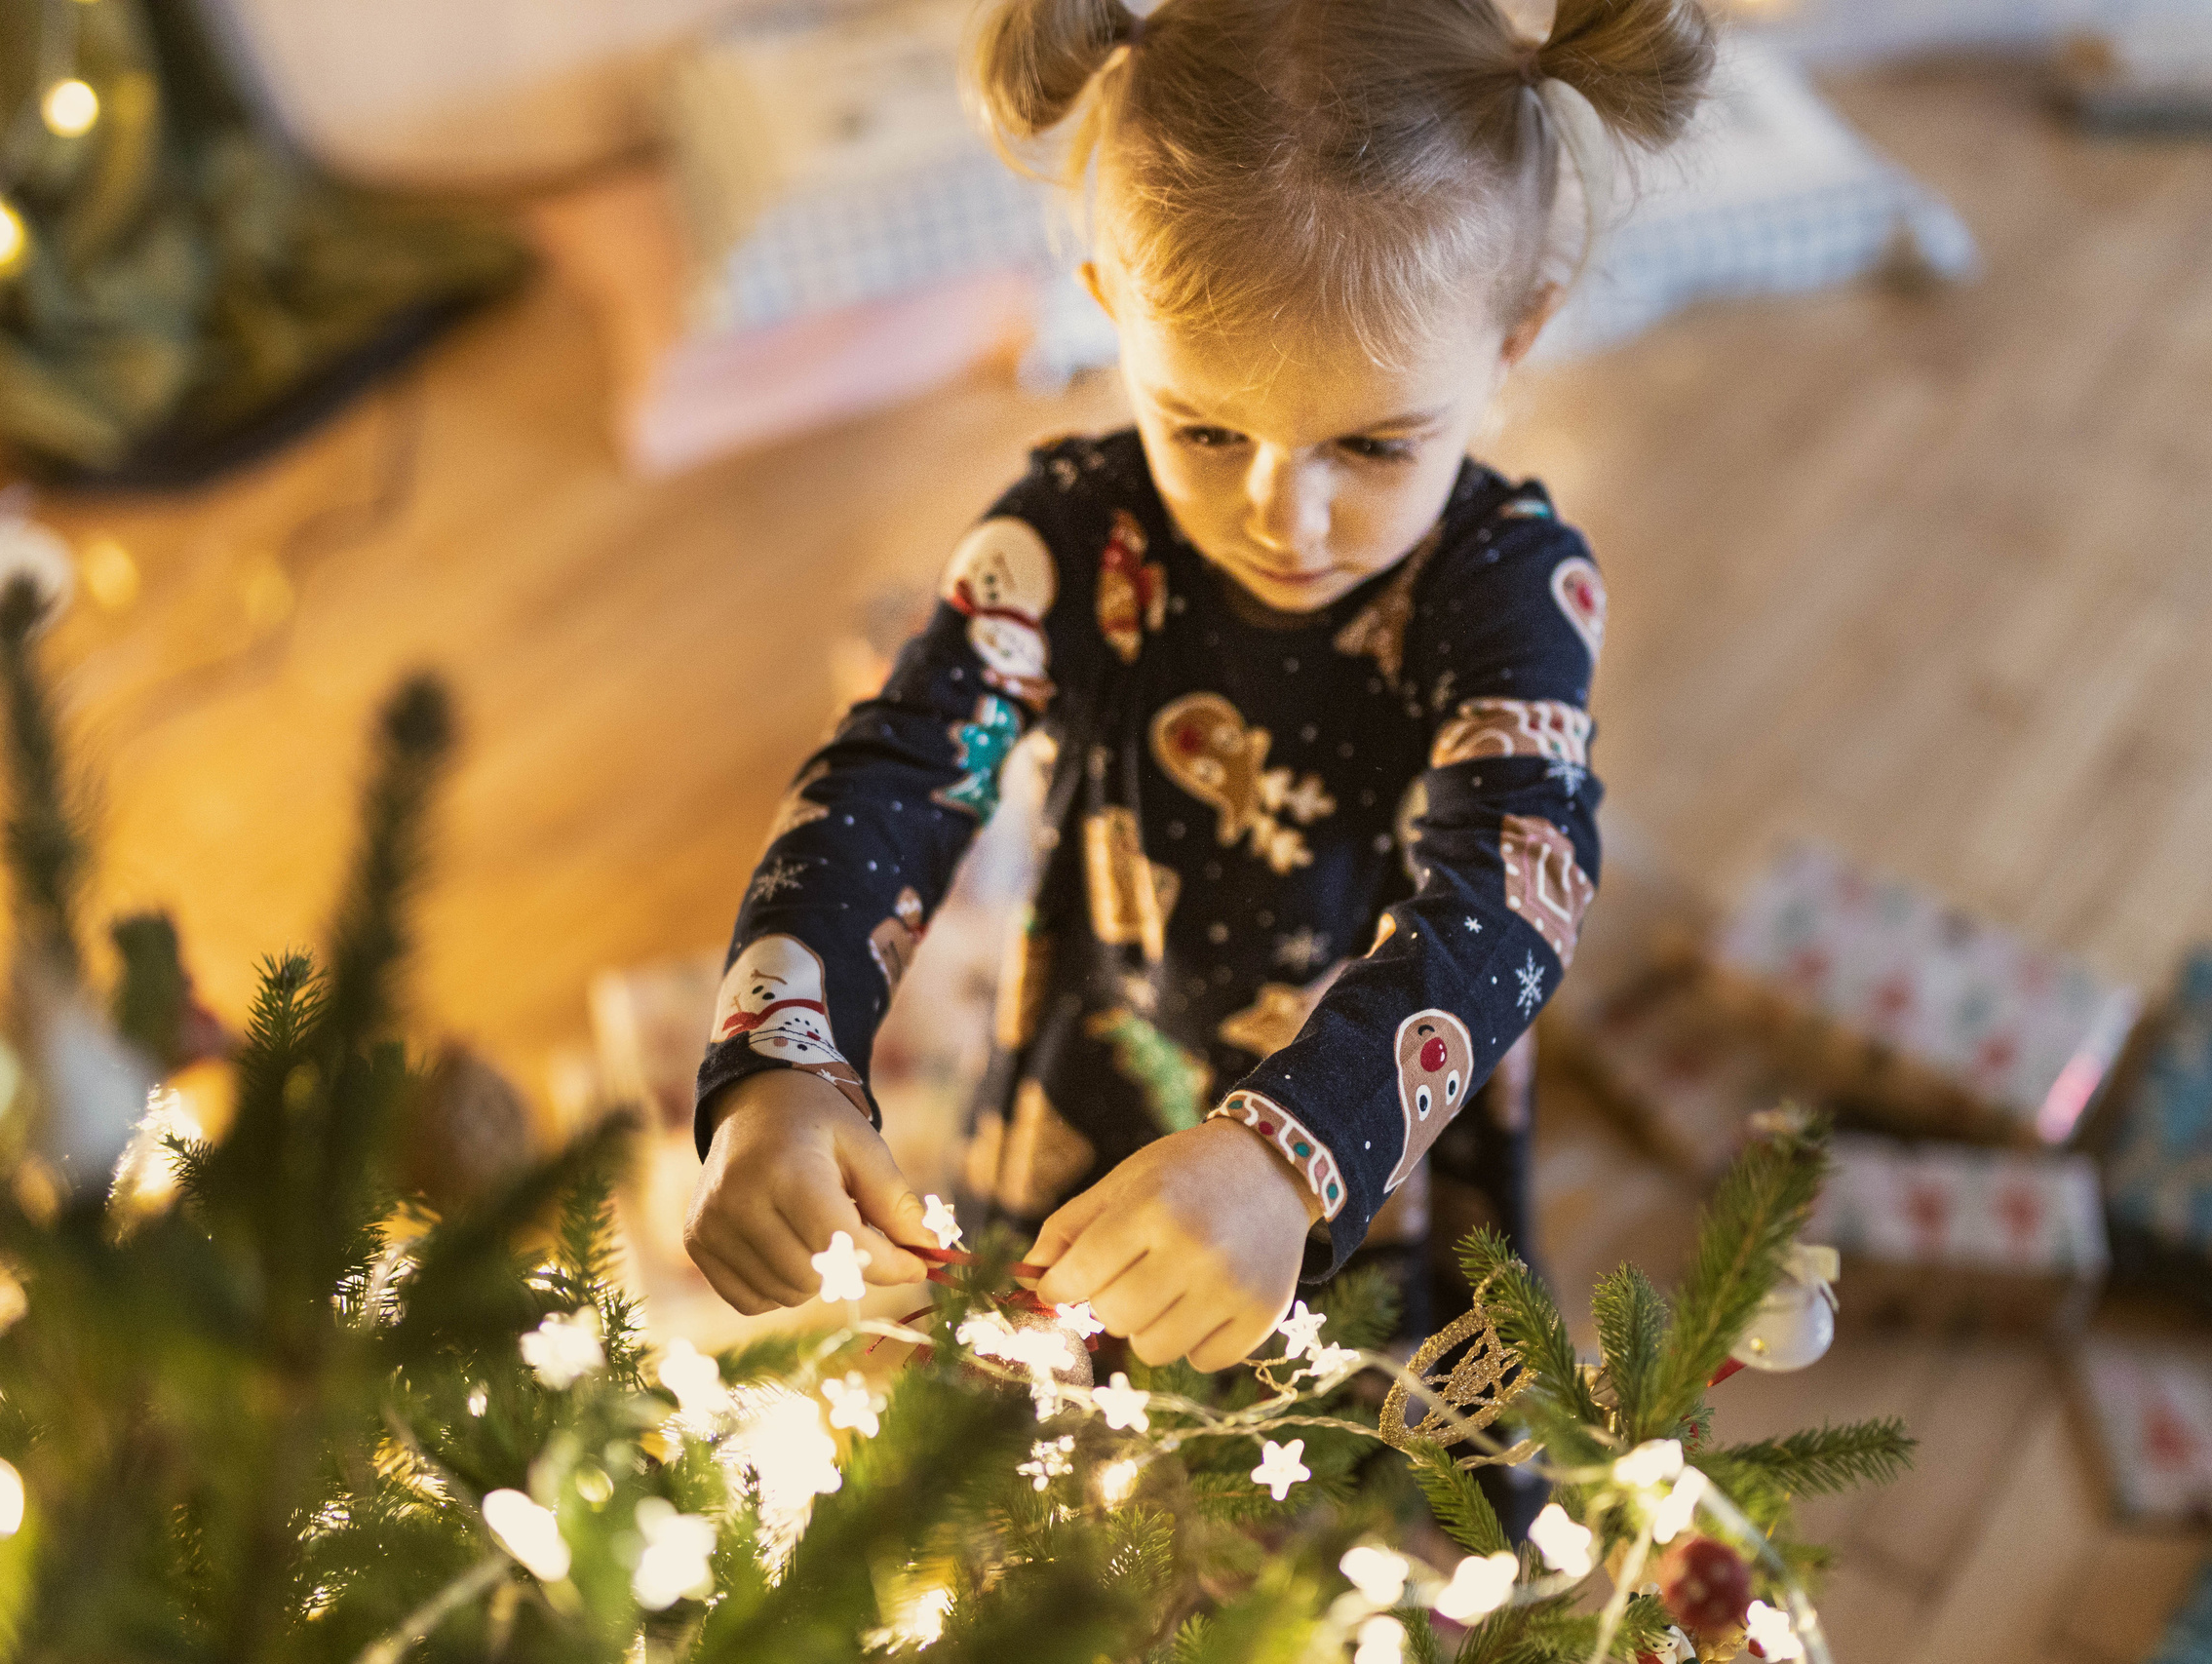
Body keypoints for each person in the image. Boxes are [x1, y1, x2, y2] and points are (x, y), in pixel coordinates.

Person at [683, 0, 1714, 1373]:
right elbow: (897, 774)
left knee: (1345, 1506)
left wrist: (1284, 1164)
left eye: (1373, 444)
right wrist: (782, 1067)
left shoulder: (1509, 586)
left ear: (1518, 336)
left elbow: (1513, 885)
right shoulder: (1063, 535)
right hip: (1081, 1103)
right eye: (1207, 426)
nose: (1283, 516)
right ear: (1111, 309)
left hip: (1366, 1176)